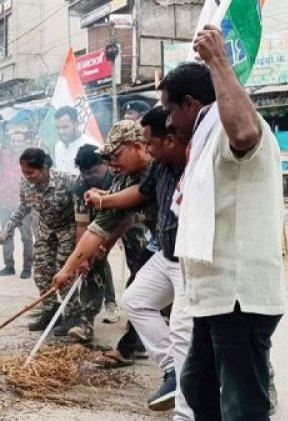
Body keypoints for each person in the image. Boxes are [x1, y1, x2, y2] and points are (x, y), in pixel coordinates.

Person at [165, 28, 284, 420]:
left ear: (190, 103)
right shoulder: (205, 135)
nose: (168, 122)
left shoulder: (233, 126)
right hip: (214, 298)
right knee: (198, 387)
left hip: (238, 298)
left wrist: (218, 60)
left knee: (241, 406)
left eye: (170, 110)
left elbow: (246, 133)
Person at [83, 107, 192, 418]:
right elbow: (135, 198)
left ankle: (188, 406)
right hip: (165, 252)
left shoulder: (193, 164)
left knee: (188, 328)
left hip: (192, 257)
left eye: (150, 142)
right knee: (136, 299)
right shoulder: (159, 169)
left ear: (170, 140)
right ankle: (173, 369)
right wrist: (104, 199)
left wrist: (103, 202)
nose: (148, 149)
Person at [51, 120, 160, 405]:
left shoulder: (161, 167)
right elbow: (98, 227)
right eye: (108, 158)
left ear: (138, 147)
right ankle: (138, 349)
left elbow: (126, 209)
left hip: (187, 245)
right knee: (139, 296)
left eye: (115, 156)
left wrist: (104, 201)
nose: (112, 164)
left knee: (200, 318)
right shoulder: (124, 176)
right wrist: (68, 269)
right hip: (162, 244)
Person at [0, 148, 78, 330]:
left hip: (68, 230)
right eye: (24, 172)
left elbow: (83, 210)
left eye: (31, 172)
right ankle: (50, 312)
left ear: (44, 168)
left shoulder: (67, 181)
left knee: (64, 273)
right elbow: (23, 208)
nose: (27, 177)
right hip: (45, 230)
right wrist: (7, 230)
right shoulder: (25, 185)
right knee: (41, 272)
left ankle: (72, 316)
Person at [57, 144, 120, 342]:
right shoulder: (80, 186)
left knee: (140, 262)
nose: (90, 177)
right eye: (86, 173)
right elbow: (82, 225)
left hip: (129, 219)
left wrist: (106, 245)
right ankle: (86, 323)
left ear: (105, 164)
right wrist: (82, 257)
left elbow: (127, 219)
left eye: (94, 171)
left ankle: (138, 329)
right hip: (99, 220)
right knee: (91, 264)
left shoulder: (119, 175)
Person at [0, 129, 34, 278]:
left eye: (19, 141)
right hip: (4, 201)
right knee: (6, 234)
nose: (16, 144)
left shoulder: (30, 159)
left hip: (23, 204)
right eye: (13, 140)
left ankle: (27, 267)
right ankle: (9, 266)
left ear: (24, 142)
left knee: (26, 238)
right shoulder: (4, 155)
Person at [53, 106, 99, 175]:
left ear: (76, 124)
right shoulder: (58, 145)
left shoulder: (91, 146)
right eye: (58, 128)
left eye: (65, 127)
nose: (61, 132)